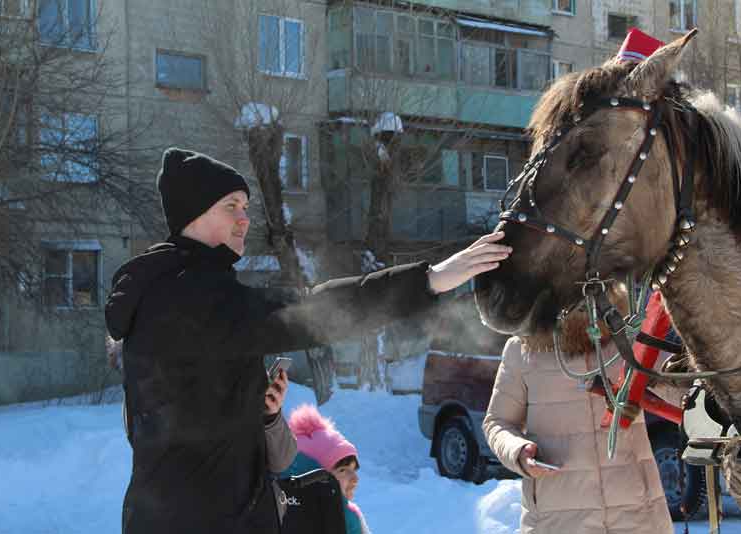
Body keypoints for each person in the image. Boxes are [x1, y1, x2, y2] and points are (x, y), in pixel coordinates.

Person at [105, 147, 511, 534]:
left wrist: (254, 408)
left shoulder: (165, 290)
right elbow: (313, 313)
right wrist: (430, 280)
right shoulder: (193, 295)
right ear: (193, 215)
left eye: (246, 208)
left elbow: (179, 420)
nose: (244, 219)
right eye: (230, 206)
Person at [482, 306, 674, 534]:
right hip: (557, 521)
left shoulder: (628, 336)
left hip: (638, 517)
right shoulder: (522, 348)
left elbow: (682, 391)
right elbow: (497, 422)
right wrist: (518, 451)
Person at [283, 404, 369, 534]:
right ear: (312, 476)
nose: (355, 479)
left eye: (354, 470)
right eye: (343, 470)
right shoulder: (344, 520)